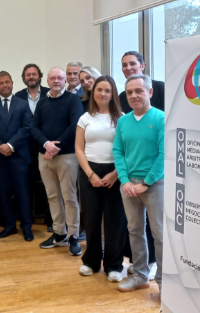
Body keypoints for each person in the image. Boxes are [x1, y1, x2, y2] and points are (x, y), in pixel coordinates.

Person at [113, 74, 165, 293]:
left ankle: (164, 282)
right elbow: (118, 151)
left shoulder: (161, 118)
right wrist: (125, 181)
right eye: (130, 92)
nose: (134, 96)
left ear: (150, 92)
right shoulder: (124, 121)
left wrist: (146, 182)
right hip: (128, 186)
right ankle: (141, 275)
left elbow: (164, 154)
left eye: (139, 91)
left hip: (155, 184)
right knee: (134, 230)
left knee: (159, 233)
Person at [75, 76, 127, 283]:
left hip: (116, 172)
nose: (103, 93)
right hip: (90, 172)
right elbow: (78, 148)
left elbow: (126, 149)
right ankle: (91, 261)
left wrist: (115, 174)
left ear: (113, 93)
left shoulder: (122, 118)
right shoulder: (85, 118)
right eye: (99, 90)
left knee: (116, 220)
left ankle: (114, 265)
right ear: (93, 93)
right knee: (91, 219)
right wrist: (91, 174)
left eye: (107, 90)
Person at [32, 67, 84, 256]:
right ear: (47, 80)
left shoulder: (73, 100)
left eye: (60, 78)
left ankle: (73, 236)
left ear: (65, 80)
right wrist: (46, 144)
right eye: (53, 78)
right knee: (52, 196)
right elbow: (34, 127)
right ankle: (59, 233)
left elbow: (75, 126)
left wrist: (55, 147)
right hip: (44, 156)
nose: (56, 81)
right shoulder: (42, 102)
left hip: (67, 156)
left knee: (69, 197)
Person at [0, 71, 34, 241]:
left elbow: (27, 127)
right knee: (3, 193)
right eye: (1, 83)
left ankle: (26, 227)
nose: (5, 85)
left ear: (12, 83)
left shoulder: (23, 103)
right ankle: (9, 226)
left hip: (19, 156)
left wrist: (11, 145)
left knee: (22, 192)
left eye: (7, 82)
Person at [14, 63, 53, 232]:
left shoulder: (49, 94)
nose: (31, 77)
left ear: (39, 76)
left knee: (49, 183)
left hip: (46, 145)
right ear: (24, 78)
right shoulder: (18, 96)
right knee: (27, 184)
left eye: (34, 74)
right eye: (28, 75)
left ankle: (50, 218)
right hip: (25, 147)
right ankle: (27, 218)